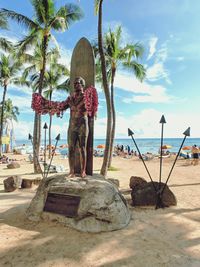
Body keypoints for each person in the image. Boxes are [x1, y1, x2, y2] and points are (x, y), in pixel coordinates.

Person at [32, 77, 98, 178]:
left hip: (83, 125)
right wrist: (43, 103)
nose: (76, 85)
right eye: (75, 83)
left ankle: (83, 171)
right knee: (70, 148)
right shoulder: (70, 99)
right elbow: (60, 106)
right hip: (72, 125)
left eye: (78, 83)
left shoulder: (87, 97)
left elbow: (92, 108)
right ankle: (71, 171)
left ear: (82, 85)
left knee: (82, 148)